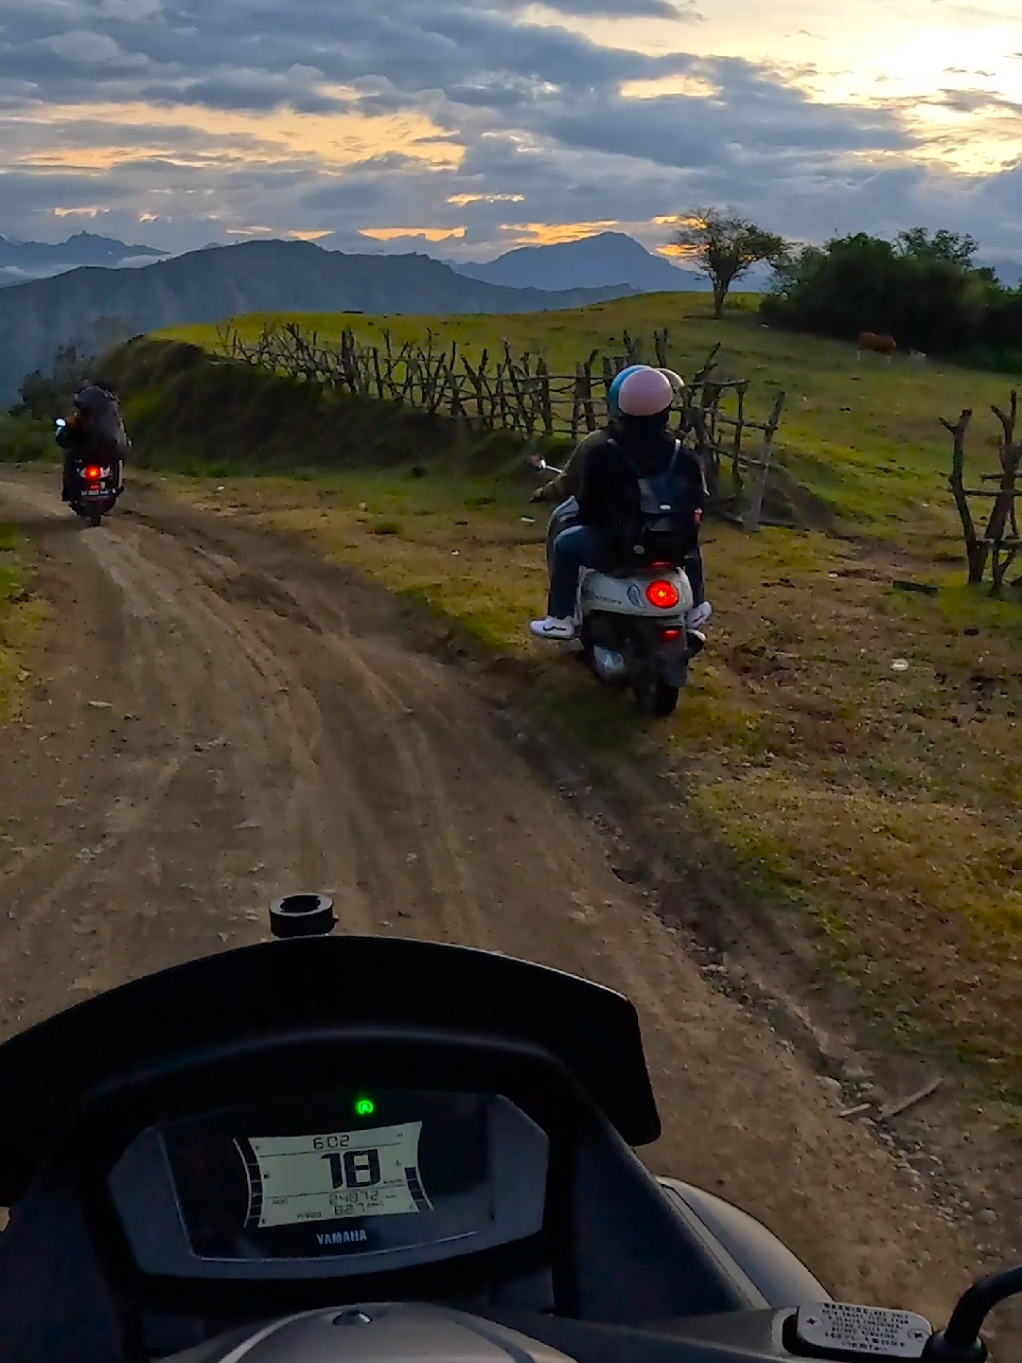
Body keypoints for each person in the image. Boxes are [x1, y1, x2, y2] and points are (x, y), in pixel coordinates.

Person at [530, 366, 711, 641]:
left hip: (618, 546)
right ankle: (696, 606)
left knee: (564, 546)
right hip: (673, 546)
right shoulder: (683, 454)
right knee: (692, 546)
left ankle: (560, 619)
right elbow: (698, 501)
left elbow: (587, 503)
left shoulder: (603, 451)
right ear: (666, 408)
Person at [56, 383, 128, 503]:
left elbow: (66, 438)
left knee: (69, 457)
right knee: (116, 460)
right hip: (105, 454)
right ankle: (115, 486)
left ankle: (70, 492)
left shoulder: (81, 417)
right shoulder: (112, 417)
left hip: (88, 454)